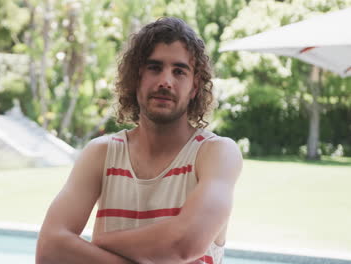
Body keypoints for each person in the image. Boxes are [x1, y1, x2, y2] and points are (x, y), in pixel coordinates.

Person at [36, 17, 242, 264]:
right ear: (136, 78)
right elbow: (49, 249)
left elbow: (184, 244)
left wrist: (101, 244)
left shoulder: (216, 153)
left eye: (179, 71)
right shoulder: (102, 154)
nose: (166, 81)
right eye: (154, 68)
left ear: (195, 87)